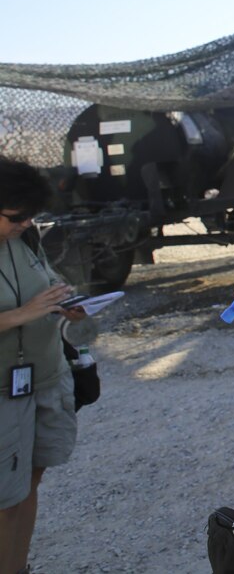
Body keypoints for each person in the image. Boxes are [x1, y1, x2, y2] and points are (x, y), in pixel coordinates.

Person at [0, 156, 87, 574]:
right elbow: (25, 308)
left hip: (44, 380)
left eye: (30, 217)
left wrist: (62, 303)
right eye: (15, 217)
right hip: (3, 394)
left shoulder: (24, 238)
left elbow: (46, 284)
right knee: (5, 497)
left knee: (29, 484)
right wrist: (21, 314)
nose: (23, 224)